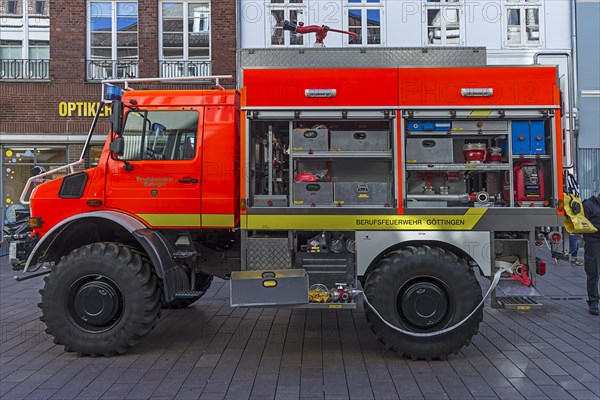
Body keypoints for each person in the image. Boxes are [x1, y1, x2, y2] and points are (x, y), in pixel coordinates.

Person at [582, 193, 600, 315]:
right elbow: (582, 226)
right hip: (593, 242)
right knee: (593, 272)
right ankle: (593, 302)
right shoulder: (588, 205)